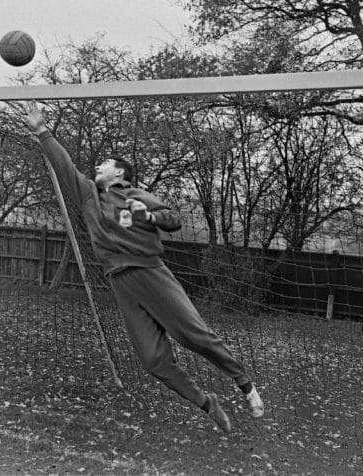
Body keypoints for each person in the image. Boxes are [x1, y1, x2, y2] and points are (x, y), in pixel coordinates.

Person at [25, 103, 263, 433]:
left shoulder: (137, 194)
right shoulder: (89, 195)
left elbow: (174, 220)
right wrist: (42, 130)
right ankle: (207, 404)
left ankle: (245, 383)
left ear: (120, 173)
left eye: (105, 163)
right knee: (153, 361)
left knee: (195, 337)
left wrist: (149, 216)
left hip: (150, 272)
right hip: (120, 282)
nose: (98, 165)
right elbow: (64, 166)